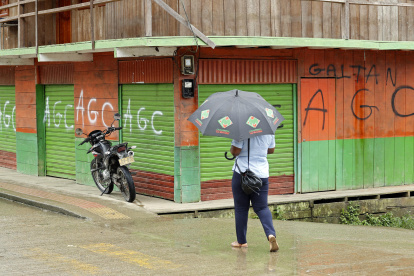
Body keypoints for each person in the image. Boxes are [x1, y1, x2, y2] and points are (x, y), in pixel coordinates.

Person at [229, 134, 279, 252]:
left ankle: (241, 241)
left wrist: (232, 149)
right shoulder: (269, 130)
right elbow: (271, 150)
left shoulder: (241, 130)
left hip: (242, 173)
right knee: (262, 207)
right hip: (261, 174)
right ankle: (271, 234)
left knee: (241, 208)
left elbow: (235, 151)